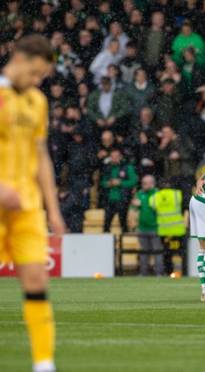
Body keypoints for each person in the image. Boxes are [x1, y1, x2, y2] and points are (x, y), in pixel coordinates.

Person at [0, 34, 65, 372]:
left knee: (37, 281)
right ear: (19, 58)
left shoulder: (36, 101)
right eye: (35, 73)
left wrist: (53, 210)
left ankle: (43, 364)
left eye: (42, 76)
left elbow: (41, 156)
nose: (37, 81)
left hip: (25, 206)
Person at [149, 179, 186, 275]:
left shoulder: (154, 197)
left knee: (167, 254)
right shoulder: (177, 194)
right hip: (178, 231)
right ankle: (183, 272)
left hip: (164, 232)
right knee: (180, 253)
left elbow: (151, 205)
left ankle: (168, 273)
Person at [101, 148, 138, 233]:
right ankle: (107, 243)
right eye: (112, 157)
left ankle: (124, 243)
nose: (114, 158)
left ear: (120, 157)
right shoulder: (107, 168)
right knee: (106, 224)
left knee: (123, 223)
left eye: (116, 156)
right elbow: (102, 182)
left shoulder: (128, 167)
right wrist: (108, 184)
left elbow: (134, 181)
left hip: (123, 199)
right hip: (109, 200)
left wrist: (120, 183)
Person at [131, 175, 163, 276]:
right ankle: (143, 273)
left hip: (155, 227)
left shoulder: (157, 194)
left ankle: (159, 273)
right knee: (143, 252)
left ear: (152, 183)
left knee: (157, 251)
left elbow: (161, 208)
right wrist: (134, 205)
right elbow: (133, 208)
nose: (143, 185)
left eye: (145, 183)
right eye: (143, 183)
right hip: (142, 227)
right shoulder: (139, 194)